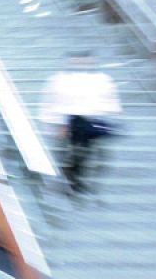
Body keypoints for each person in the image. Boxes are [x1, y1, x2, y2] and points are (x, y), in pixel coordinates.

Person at [40, 51, 121, 195]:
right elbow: (50, 102)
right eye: (77, 61)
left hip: (93, 122)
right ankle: (72, 179)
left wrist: (106, 117)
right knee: (72, 153)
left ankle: (76, 180)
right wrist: (54, 123)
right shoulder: (59, 80)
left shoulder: (103, 79)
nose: (81, 64)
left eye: (85, 60)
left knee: (87, 153)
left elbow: (111, 101)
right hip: (68, 122)